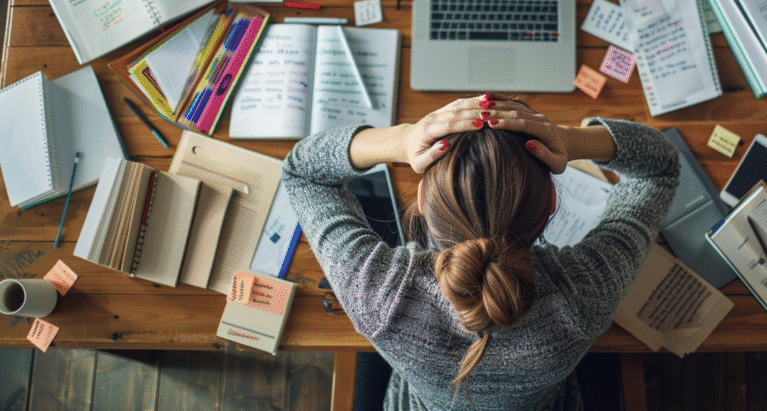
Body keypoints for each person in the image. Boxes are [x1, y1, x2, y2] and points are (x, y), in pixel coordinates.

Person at [282, 95, 680, 410]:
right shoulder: (584, 293)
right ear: (551, 203)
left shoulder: (379, 294)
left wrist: (400, 139)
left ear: (421, 199)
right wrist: (572, 140)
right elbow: (661, 166)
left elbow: (301, 170)